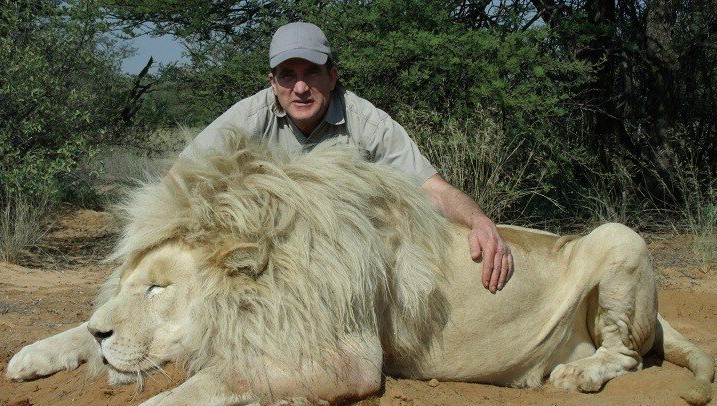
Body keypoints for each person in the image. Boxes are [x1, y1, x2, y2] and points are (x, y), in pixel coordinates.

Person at [179, 22, 513, 293]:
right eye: (288, 74)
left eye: (311, 72)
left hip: (342, 261)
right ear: (273, 82)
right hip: (268, 251)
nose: (300, 87)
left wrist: (480, 222)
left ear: (333, 75)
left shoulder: (368, 122)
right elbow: (179, 180)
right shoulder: (248, 116)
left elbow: (433, 189)